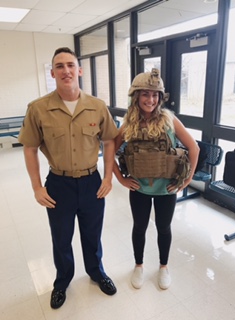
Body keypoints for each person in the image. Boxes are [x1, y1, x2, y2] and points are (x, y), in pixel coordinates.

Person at [18, 47, 119, 309]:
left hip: (91, 182)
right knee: (61, 237)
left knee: (92, 234)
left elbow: (109, 141)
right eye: (60, 66)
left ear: (80, 70)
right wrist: (37, 187)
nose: (66, 70)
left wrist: (108, 177)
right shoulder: (38, 109)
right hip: (59, 184)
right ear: (52, 72)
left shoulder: (97, 106)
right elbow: (29, 148)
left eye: (70, 65)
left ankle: (97, 272)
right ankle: (62, 281)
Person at [113, 68, 199, 290]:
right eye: (145, 94)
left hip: (166, 189)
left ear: (160, 98)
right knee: (139, 227)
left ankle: (163, 267)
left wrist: (187, 180)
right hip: (139, 188)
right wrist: (121, 180)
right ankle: (139, 265)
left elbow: (193, 147)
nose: (150, 100)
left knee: (163, 228)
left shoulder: (169, 120)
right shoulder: (129, 122)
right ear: (136, 96)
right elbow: (109, 150)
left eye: (155, 95)